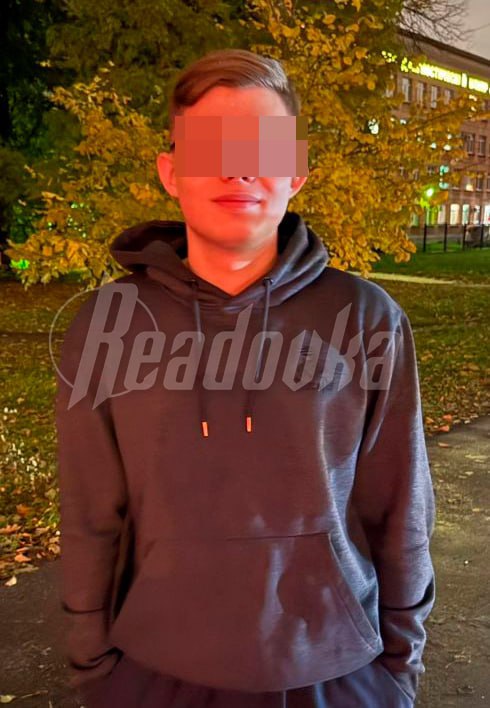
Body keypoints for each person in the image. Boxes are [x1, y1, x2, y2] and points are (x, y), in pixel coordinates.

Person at [55, 49, 436, 708]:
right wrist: (94, 667)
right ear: (171, 173)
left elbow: (401, 509)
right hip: (153, 672)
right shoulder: (107, 325)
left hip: (339, 671)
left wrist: (399, 668)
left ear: (296, 171)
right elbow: (90, 514)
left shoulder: (365, 319)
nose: (239, 168)